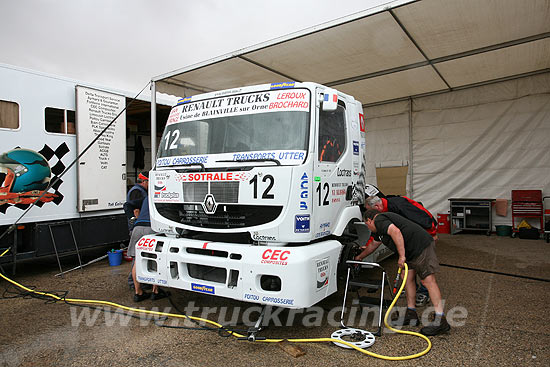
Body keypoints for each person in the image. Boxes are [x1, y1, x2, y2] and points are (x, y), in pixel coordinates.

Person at [354, 209, 450, 336]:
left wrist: (402, 256)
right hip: (410, 251)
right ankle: (411, 314)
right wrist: (360, 257)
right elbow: (373, 245)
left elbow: (396, 232)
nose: (368, 228)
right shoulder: (379, 230)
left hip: (420, 246)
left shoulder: (380, 220)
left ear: (370, 220)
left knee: (428, 281)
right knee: (407, 277)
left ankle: (440, 320)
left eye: (367, 225)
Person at [365, 195, 437, 307]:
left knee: (425, 271)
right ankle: (412, 296)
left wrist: (432, 232)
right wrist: (365, 248)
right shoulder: (380, 215)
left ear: (377, 206)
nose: (370, 215)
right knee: (407, 274)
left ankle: (424, 292)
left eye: (370, 211)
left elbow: (421, 215)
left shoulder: (399, 205)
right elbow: (376, 236)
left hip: (421, 236)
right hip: (407, 243)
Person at [127, 196, 168, 302]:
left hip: (138, 227)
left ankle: (138, 293)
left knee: (137, 259)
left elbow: (128, 204)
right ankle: (156, 291)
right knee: (156, 259)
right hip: (152, 228)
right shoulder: (164, 195)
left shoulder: (147, 196)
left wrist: (132, 218)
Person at [124, 172, 149, 289]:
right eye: (150, 182)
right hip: (138, 226)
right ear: (144, 182)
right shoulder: (137, 191)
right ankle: (133, 282)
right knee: (137, 256)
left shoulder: (140, 191)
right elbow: (130, 205)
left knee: (139, 256)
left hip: (138, 226)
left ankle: (139, 282)